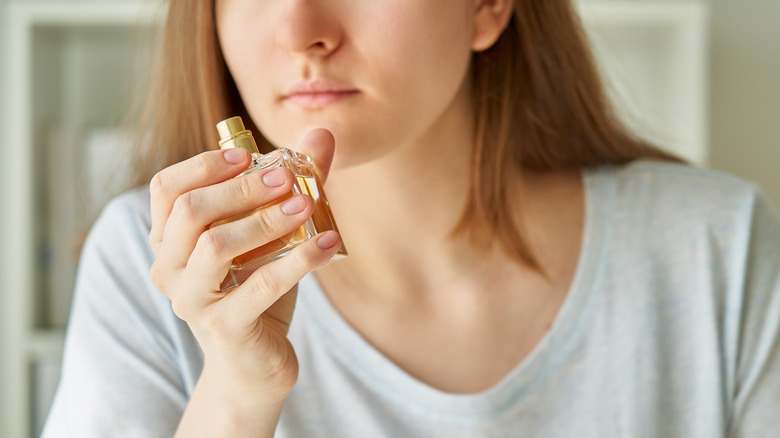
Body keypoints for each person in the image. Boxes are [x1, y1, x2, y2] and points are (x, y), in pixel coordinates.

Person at [43, 0, 780, 437]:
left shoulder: (717, 248)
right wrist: (235, 393)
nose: (299, 29)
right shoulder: (145, 263)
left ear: (489, 5)